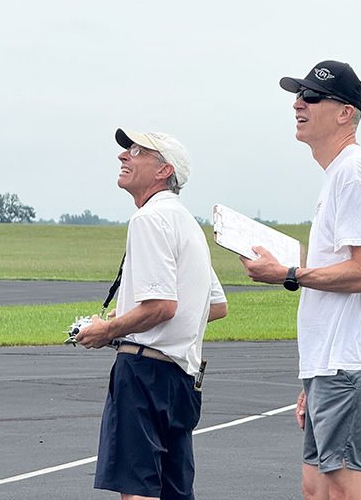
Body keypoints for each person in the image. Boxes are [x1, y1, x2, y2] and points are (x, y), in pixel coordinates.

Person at [240, 60, 361, 500]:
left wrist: (288, 273)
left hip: (349, 361)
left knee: (344, 490)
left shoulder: (355, 170)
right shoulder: (341, 173)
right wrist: (312, 378)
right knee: (316, 487)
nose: (298, 103)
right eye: (298, 95)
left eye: (311, 96)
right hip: (331, 363)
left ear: (345, 112)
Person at [77, 128, 227, 500]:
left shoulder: (147, 220)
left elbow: (161, 306)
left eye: (137, 151)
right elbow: (216, 305)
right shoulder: (187, 224)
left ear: (164, 171)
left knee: (138, 490)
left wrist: (109, 329)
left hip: (145, 374)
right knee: (175, 491)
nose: (123, 156)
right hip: (182, 378)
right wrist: (135, 314)